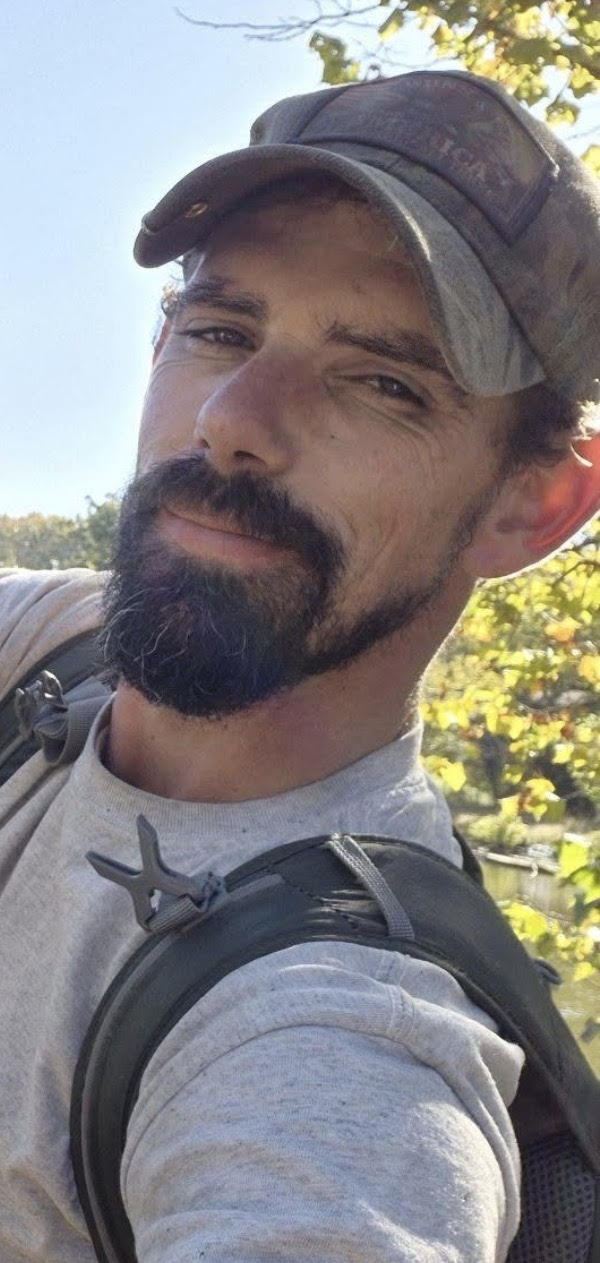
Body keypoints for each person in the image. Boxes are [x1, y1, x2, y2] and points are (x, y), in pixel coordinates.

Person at [1, 68, 599, 1263]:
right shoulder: (57, 648)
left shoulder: (343, 1042)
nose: (232, 416)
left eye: (383, 383)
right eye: (221, 329)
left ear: (532, 507)